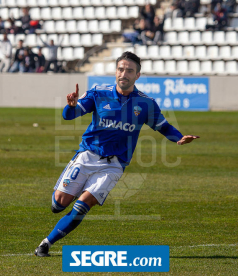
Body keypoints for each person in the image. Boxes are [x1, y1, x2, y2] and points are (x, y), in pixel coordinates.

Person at [33, 51, 200, 257]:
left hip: (114, 165)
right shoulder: (98, 93)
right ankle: (72, 192)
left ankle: (46, 244)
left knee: (82, 207)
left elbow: (163, 126)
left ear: (137, 75)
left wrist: (179, 137)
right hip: (87, 156)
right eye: (121, 69)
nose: (124, 74)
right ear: (115, 72)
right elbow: (70, 115)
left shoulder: (146, 103)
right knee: (58, 204)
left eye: (129, 71)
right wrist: (71, 106)